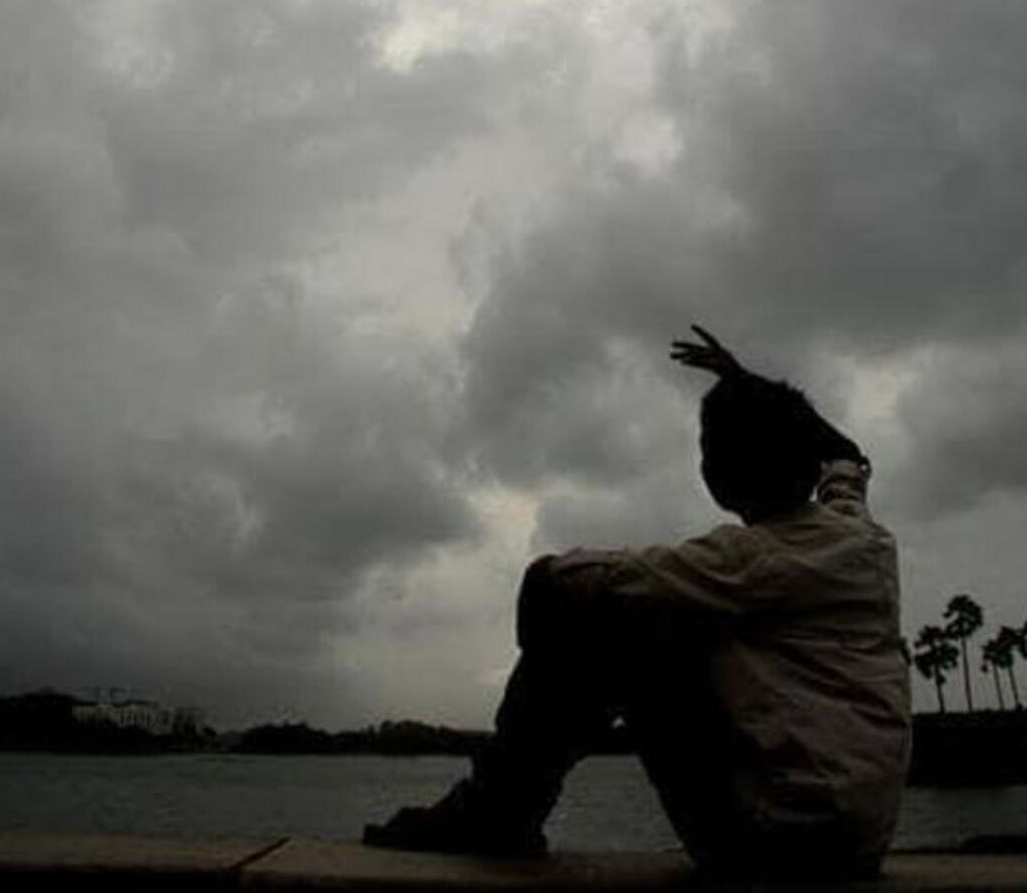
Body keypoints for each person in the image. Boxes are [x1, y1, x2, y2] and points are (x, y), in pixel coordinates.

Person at [363, 326, 910, 883]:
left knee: (612, 622)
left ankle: (496, 812)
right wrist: (745, 382)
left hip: (767, 844)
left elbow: (555, 582)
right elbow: (845, 457)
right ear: (808, 464)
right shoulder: (865, 537)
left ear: (715, 475)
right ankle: (497, 809)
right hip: (860, 844)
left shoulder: (740, 561)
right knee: (653, 613)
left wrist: (545, 663)